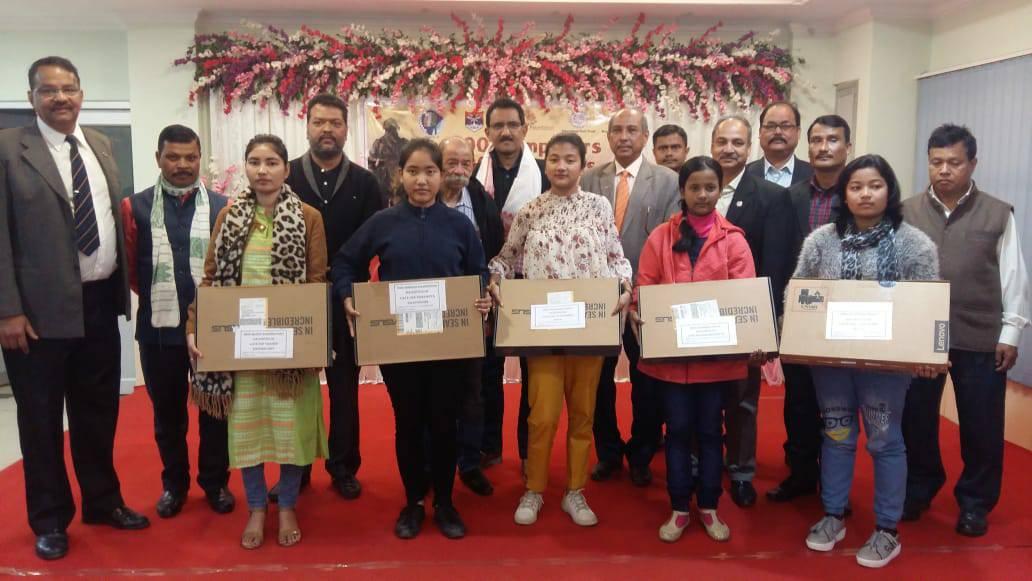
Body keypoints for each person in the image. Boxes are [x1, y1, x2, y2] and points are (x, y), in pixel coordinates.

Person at [0, 56, 149, 561]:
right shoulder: (7, 149)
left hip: (99, 304)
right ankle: (49, 519)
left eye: (68, 89)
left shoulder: (100, 146)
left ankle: (103, 502)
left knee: (97, 414)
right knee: (41, 422)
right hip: (36, 317)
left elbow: (107, 218)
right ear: (31, 98)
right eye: (48, 90)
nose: (60, 98)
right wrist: (6, 311)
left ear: (82, 93)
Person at [332, 139, 491, 540]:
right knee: (408, 423)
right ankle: (414, 502)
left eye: (430, 172)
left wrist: (483, 297)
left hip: (448, 345)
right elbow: (345, 262)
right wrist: (348, 295)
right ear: (399, 175)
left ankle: (446, 503)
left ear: (442, 176)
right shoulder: (383, 222)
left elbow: (479, 272)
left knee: (444, 424)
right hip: (398, 345)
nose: (422, 180)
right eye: (413, 172)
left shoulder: (460, 225)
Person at [795, 154, 940, 568]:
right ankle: (834, 515)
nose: (865, 194)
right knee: (837, 436)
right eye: (855, 187)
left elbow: (927, 306)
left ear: (889, 191)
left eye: (874, 185)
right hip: (831, 364)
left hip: (886, 368)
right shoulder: (821, 241)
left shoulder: (914, 243)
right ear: (844, 193)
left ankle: (887, 529)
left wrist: (927, 352)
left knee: (884, 440)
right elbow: (800, 293)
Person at [186, 134, 329, 550]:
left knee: (289, 433)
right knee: (247, 435)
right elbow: (211, 281)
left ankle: (285, 505)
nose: (262, 170)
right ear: (245, 168)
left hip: (288, 346)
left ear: (286, 168)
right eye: (254, 162)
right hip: (241, 346)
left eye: (271, 162)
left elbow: (316, 282)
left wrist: (312, 341)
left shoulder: (308, 217)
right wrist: (194, 327)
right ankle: (255, 508)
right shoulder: (228, 216)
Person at [488, 132, 633, 527]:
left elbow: (617, 258)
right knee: (543, 415)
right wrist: (495, 280)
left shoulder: (599, 207)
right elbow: (505, 258)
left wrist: (624, 287)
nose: (561, 166)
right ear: (545, 163)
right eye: (554, 158)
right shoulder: (530, 210)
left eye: (570, 159)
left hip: (588, 329)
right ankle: (534, 489)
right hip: (543, 331)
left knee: (583, 414)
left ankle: (575, 491)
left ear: (583, 164)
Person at [901, 124, 1030, 536]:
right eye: (936, 162)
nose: (944, 170)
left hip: (979, 336)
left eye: (954, 162)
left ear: (972, 164)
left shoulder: (997, 212)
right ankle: (920, 486)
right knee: (915, 420)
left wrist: (1011, 333)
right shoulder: (905, 212)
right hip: (919, 336)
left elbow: (1014, 277)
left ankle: (975, 502)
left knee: (981, 426)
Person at [633, 156, 761, 543]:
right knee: (676, 432)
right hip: (671, 362)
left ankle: (708, 505)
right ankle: (677, 507)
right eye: (695, 188)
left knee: (709, 433)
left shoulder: (734, 240)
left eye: (710, 187)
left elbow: (744, 297)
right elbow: (644, 286)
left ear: (719, 190)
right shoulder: (660, 237)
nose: (702, 195)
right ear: (683, 192)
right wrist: (640, 311)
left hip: (715, 365)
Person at [121, 124, 233, 518]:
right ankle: (174, 485)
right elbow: (133, 270)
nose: (183, 165)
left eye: (191, 157)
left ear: (200, 159)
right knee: (167, 415)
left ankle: (216, 483)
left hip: (213, 328)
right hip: (159, 330)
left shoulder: (223, 206)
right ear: (158, 159)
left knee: (215, 410)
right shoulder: (134, 207)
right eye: (174, 157)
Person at [284, 93, 384, 502]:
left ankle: (343, 466)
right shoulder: (285, 175)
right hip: (295, 300)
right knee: (296, 387)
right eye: (319, 122)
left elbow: (374, 242)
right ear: (307, 126)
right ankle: (297, 467)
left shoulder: (365, 183)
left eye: (335, 123)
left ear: (346, 129)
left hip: (348, 299)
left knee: (345, 389)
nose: (327, 129)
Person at [581, 108, 681, 487]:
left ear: (644, 136)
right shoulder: (590, 178)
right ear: (608, 136)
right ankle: (607, 451)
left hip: (645, 299)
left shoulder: (669, 181)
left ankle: (641, 453)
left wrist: (641, 293)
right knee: (598, 382)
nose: (624, 137)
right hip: (599, 301)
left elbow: (669, 244)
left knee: (647, 382)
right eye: (617, 130)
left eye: (632, 130)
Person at [709, 114, 798, 507]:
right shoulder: (696, 187)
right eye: (722, 141)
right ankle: (703, 464)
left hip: (746, 317)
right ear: (711, 144)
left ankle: (742, 472)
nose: (729, 149)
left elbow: (774, 266)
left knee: (743, 400)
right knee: (703, 396)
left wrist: (765, 328)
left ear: (750, 148)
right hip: (700, 318)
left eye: (738, 143)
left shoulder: (770, 196)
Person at [768, 114, 852, 504]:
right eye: (817, 140)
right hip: (801, 314)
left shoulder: (859, 193)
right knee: (798, 401)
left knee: (839, 404)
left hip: (846, 316)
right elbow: (780, 255)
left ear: (847, 147)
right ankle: (801, 473)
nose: (823, 147)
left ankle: (837, 487)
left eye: (832, 140)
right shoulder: (794, 196)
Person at [472, 97, 550, 471]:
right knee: (487, 370)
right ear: (486, 132)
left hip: (531, 283)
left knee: (533, 370)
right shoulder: (473, 176)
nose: (505, 132)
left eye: (512, 125)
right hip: (485, 285)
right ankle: (487, 445)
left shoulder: (545, 175)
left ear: (524, 129)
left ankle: (526, 448)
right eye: (497, 126)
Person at [439, 136, 504, 497]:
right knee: (435, 393)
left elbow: (493, 256)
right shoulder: (420, 199)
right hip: (429, 314)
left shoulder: (480, 202)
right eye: (452, 162)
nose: (459, 170)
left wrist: (488, 293)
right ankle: (435, 463)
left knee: (473, 393)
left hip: (471, 314)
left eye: (466, 163)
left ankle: (469, 462)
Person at [744, 101, 813, 188]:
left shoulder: (814, 175)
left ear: (798, 132)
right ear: (760, 132)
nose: (778, 132)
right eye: (770, 126)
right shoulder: (744, 174)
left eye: (785, 126)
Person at [368, 118, 408, 205]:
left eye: (393, 129)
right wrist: (380, 162)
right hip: (383, 180)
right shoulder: (379, 143)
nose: (392, 132)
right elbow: (370, 161)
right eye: (389, 129)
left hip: (400, 181)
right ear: (386, 130)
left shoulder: (404, 143)